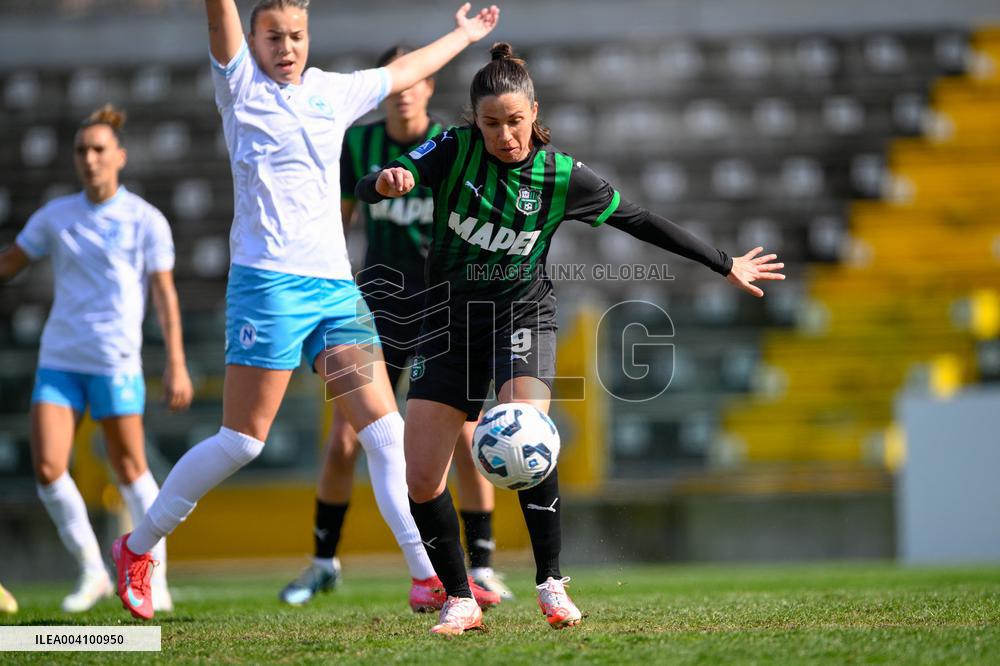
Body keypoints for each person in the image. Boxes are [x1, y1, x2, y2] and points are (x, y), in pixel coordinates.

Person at [356, 42, 786, 635]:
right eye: (491, 124)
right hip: (449, 323)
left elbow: (639, 220)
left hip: (521, 317)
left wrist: (723, 261)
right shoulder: (452, 149)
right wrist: (387, 182)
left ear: (534, 113)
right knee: (421, 477)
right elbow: (370, 181)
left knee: (525, 433)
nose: (504, 135)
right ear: (475, 121)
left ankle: (550, 583)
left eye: (514, 121)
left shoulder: (560, 175)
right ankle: (460, 598)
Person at [110, 0, 499, 621]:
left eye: (295, 35)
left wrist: (463, 35)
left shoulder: (331, 92)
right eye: (273, 37)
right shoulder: (240, 85)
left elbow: (406, 71)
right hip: (269, 287)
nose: (286, 47)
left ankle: (427, 577)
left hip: (335, 291)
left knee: (385, 432)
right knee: (242, 441)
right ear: (253, 41)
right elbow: (218, 17)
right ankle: (137, 546)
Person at [279, 44, 512, 608]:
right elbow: (338, 223)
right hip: (375, 309)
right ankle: (323, 562)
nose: (406, 92)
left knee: (465, 436)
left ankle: (481, 566)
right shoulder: (358, 144)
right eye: (398, 84)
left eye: (416, 82)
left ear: (428, 87)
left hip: (442, 307)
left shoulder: (450, 145)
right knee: (344, 438)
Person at [0, 105, 193, 614]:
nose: (90, 159)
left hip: (115, 361)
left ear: (119, 157)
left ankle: (152, 574)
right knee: (48, 467)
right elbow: (10, 262)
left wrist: (175, 361)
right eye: (82, 150)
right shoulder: (55, 216)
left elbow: (165, 295)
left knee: (130, 470)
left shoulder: (145, 220)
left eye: (99, 150)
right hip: (60, 359)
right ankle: (93, 570)